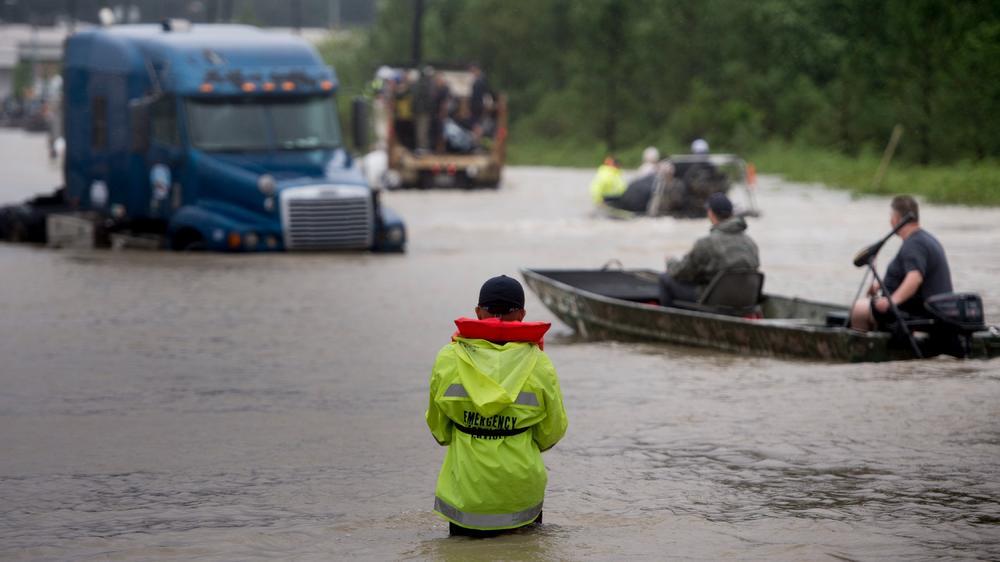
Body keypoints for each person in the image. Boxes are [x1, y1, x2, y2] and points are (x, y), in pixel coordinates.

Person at [427, 275, 568, 537]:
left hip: (465, 495)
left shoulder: (448, 358)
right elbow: (553, 431)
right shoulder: (540, 363)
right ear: (522, 315)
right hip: (520, 493)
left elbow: (439, 430)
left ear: (479, 312)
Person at [849, 195, 953, 331]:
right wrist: (882, 287)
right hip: (930, 310)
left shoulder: (914, 244)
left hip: (921, 314)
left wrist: (891, 301)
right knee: (869, 305)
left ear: (896, 218)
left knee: (860, 308)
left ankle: (861, 348)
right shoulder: (927, 239)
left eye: (891, 216)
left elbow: (915, 278)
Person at [658, 192, 759, 306]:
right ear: (731, 213)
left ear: (710, 213)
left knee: (664, 279)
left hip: (715, 300)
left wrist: (670, 262)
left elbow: (681, 272)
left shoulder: (706, 243)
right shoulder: (750, 243)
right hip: (746, 300)